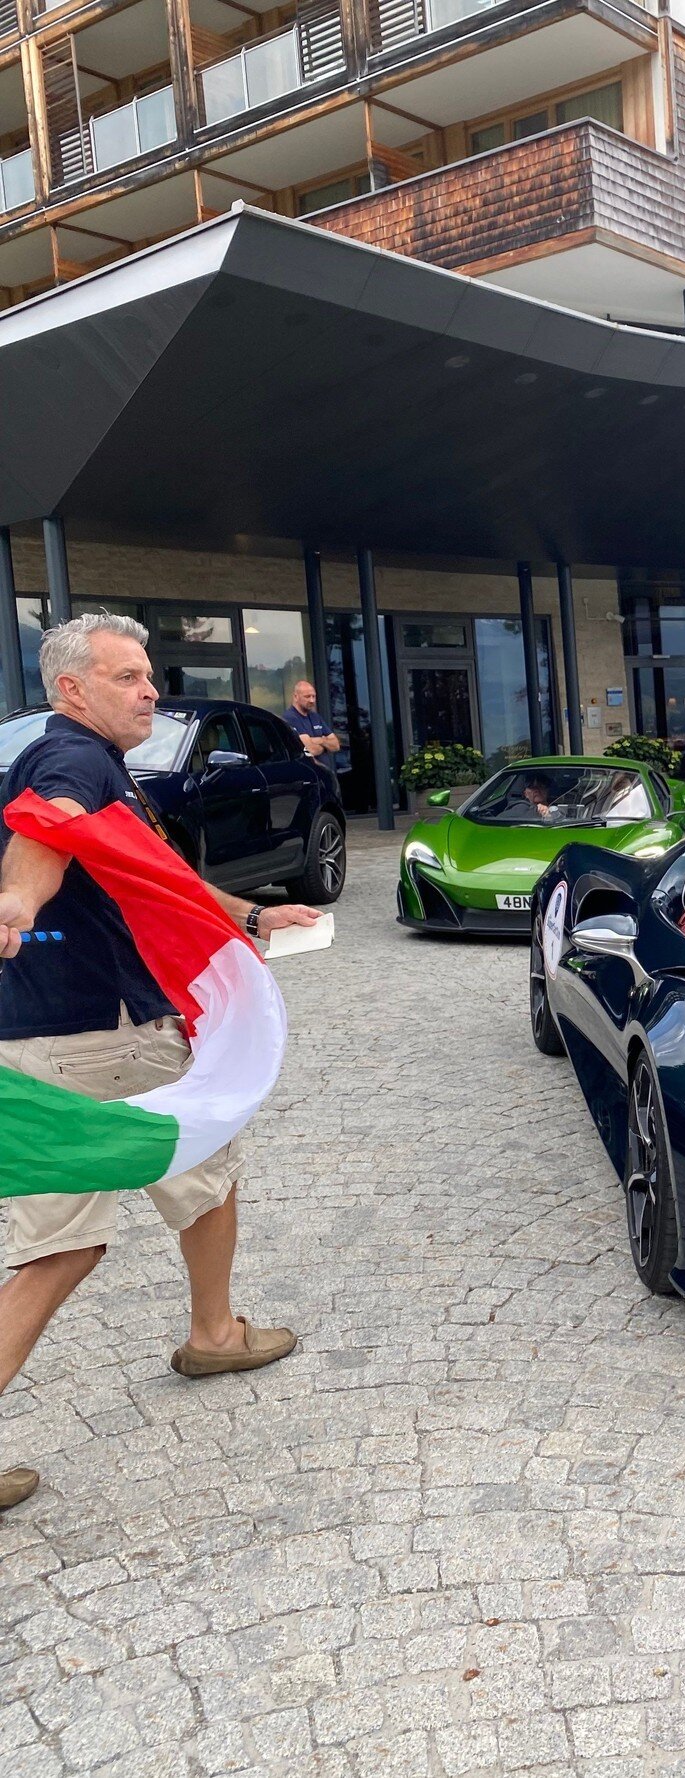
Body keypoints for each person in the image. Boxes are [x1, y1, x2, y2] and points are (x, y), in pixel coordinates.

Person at [0, 615, 320, 1514]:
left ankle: (214, 1331)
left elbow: (158, 877)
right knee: (66, 1248)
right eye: (129, 677)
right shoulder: (71, 763)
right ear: (74, 688)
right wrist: (16, 900)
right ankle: (214, 1332)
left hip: (62, 1030)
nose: (151, 691)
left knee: (202, 1175)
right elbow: (44, 834)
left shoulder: (96, 766)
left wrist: (250, 918)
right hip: (95, 1033)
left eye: (149, 675)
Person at [284, 681, 340, 761]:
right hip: (308, 770)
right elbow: (311, 750)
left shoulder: (315, 717)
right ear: (296, 697)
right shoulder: (291, 718)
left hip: (324, 770)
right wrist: (325, 744)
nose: (312, 700)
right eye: (307, 696)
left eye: (313, 696)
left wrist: (320, 740)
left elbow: (336, 745)